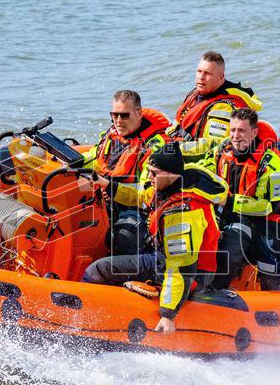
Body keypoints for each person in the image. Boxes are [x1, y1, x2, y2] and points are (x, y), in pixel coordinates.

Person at [83, 142, 227, 333]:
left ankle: (88, 322)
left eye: (154, 172)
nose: (149, 177)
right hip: (165, 257)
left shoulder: (182, 213)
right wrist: (107, 184)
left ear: (170, 173)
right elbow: (141, 196)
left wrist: (168, 314)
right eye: (148, 171)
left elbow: (180, 269)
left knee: (98, 269)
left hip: (190, 272)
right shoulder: (170, 187)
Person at [206, 108, 280, 291]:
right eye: (232, 130)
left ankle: (216, 292)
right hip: (230, 213)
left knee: (250, 254)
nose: (235, 136)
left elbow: (270, 206)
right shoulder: (222, 151)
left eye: (241, 131)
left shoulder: (272, 162)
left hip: (266, 220)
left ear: (254, 132)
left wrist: (229, 202)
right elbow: (205, 169)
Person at [83, 90, 169, 255]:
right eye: (114, 115)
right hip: (107, 195)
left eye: (124, 116)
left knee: (124, 237)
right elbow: (94, 157)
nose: (118, 121)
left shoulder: (155, 146)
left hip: (137, 208)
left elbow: (147, 193)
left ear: (138, 113)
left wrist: (110, 187)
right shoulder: (112, 134)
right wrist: (69, 163)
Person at [169, 51, 262, 145]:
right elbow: (176, 125)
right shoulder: (194, 94)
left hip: (195, 156)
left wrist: (174, 150)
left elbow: (212, 147)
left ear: (221, 79)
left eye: (207, 73)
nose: (201, 77)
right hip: (175, 143)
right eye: (199, 71)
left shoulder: (223, 108)